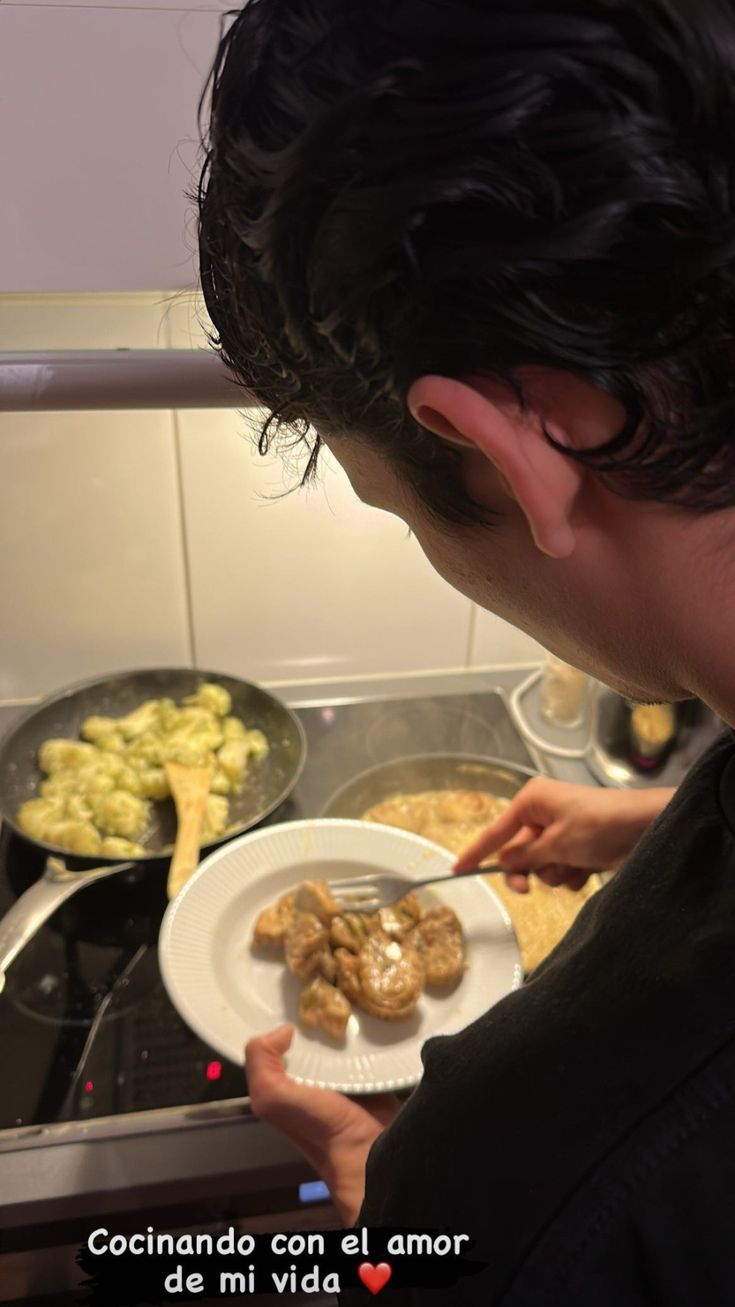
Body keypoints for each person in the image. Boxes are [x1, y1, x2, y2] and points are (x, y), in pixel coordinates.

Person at [196, 1, 735, 1300]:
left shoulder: (537, 1161)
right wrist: (660, 820)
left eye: (390, 506)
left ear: (511, 448)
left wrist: (412, 1216)